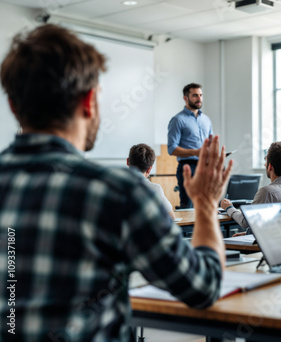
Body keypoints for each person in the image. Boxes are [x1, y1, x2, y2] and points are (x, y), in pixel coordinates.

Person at [0, 24, 232, 341]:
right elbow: (202, 288)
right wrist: (205, 204)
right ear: (89, 100)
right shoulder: (117, 191)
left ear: (13, 106)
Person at [220, 141, 281, 233]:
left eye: (265, 161)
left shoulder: (268, 192)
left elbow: (245, 222)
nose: (265, 164)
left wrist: (229, 207)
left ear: (270, 166)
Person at [167, 83, 213, 209]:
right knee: (188, 208)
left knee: (206, 206)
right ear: (185, 98)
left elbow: (211, 143)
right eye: (195, 95)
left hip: (205, 167)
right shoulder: (178, 120)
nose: (199, 99)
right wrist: (194, 152)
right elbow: (171, 148)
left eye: (200, 95)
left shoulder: (206, 120)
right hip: (187, 167)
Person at [127, 143, 176, 220]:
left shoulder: (113, 184)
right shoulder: (155, 189)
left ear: (128, 161)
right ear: (149, 169)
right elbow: (171, 217)